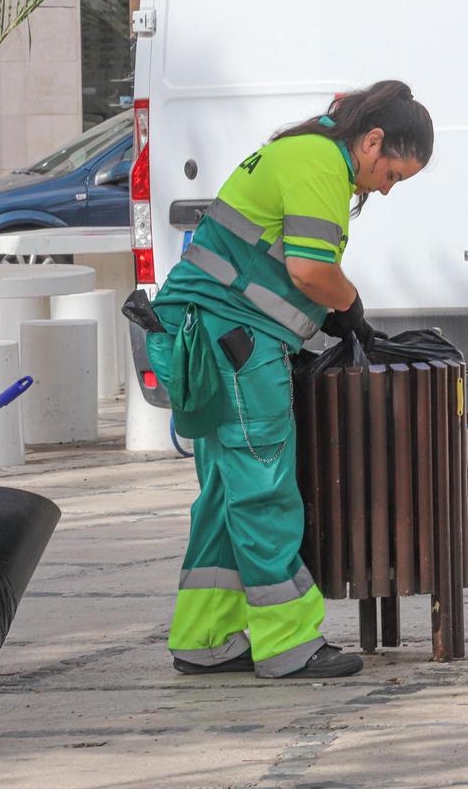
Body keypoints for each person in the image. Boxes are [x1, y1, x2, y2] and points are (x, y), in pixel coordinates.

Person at [146, 79, 434, 679]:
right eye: (393, 175)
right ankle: (287, 644)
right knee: (263, 490)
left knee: (226, 493)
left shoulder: (300, 152)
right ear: (373, 141)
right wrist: (350, 305)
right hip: (234, 343)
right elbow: (309, 268)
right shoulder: (318, 163)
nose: (386, 187)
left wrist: (332, 311)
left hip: (208, 336)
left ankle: (206, 638)